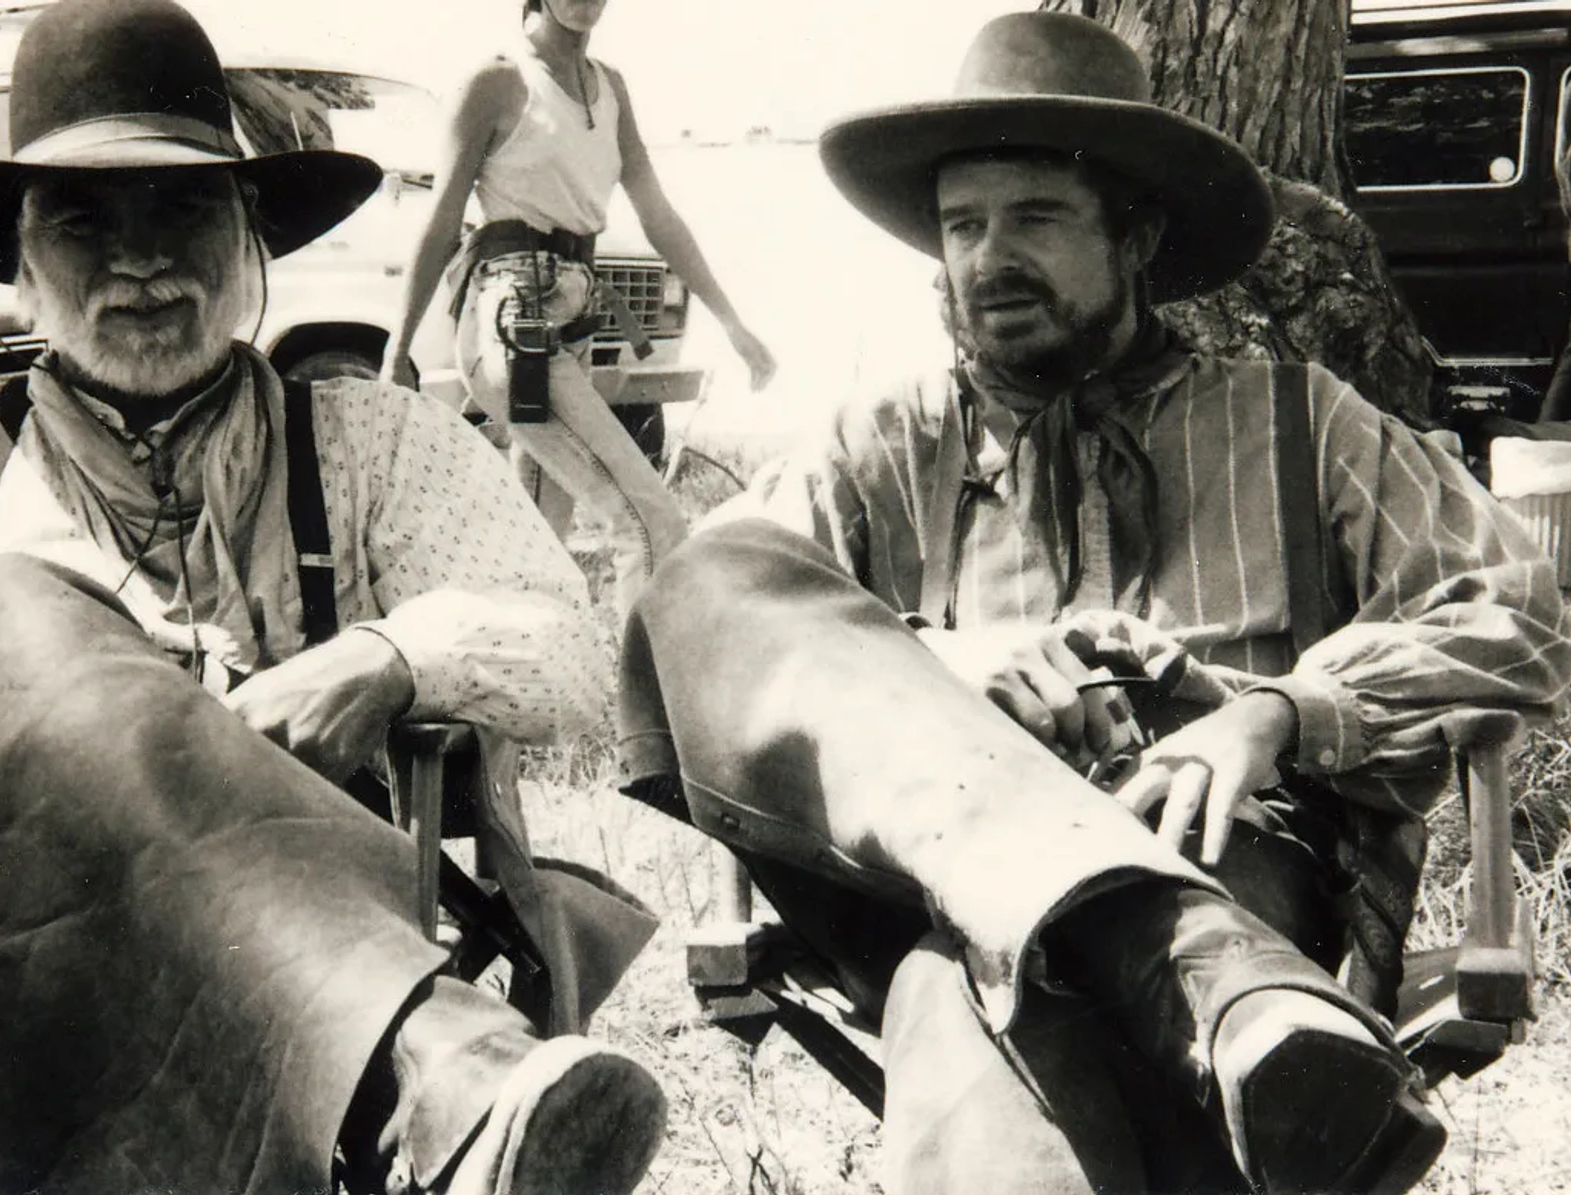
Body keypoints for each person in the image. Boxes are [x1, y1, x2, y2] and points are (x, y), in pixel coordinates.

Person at [0, 3, 668, 1192]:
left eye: (184, 209)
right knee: (12, 614)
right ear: (22, 261)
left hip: (290, 979)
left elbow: (561, 643)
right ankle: (432, 1068)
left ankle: (412, 1069)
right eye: (83, 222)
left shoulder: (370, 443)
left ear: (250, 240)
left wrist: (385, 655)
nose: (139, 260)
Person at [616, 13, 1571, 1195]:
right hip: (949, 861)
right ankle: (1223, 995)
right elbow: (703, 618)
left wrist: (1276, 714)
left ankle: (1210, 966)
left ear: (1139, 236)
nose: (986, 258)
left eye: (1036, 218)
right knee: (718, 574)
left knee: (959, 990)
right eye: (962, 226)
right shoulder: (881, 443)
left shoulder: (1297, 419)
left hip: (1227, 851)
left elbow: (1515, 610)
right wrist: (938, 670)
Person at [380, 0, 777, 616]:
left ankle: (517, 690)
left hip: (573, 322)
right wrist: (397, 348)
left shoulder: (611, 88)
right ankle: (648, 705)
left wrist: (732, 322)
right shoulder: (497, 82)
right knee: (650, 522)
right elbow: (440, 225)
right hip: (512, 321)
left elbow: (658, 214)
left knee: (538, 546)